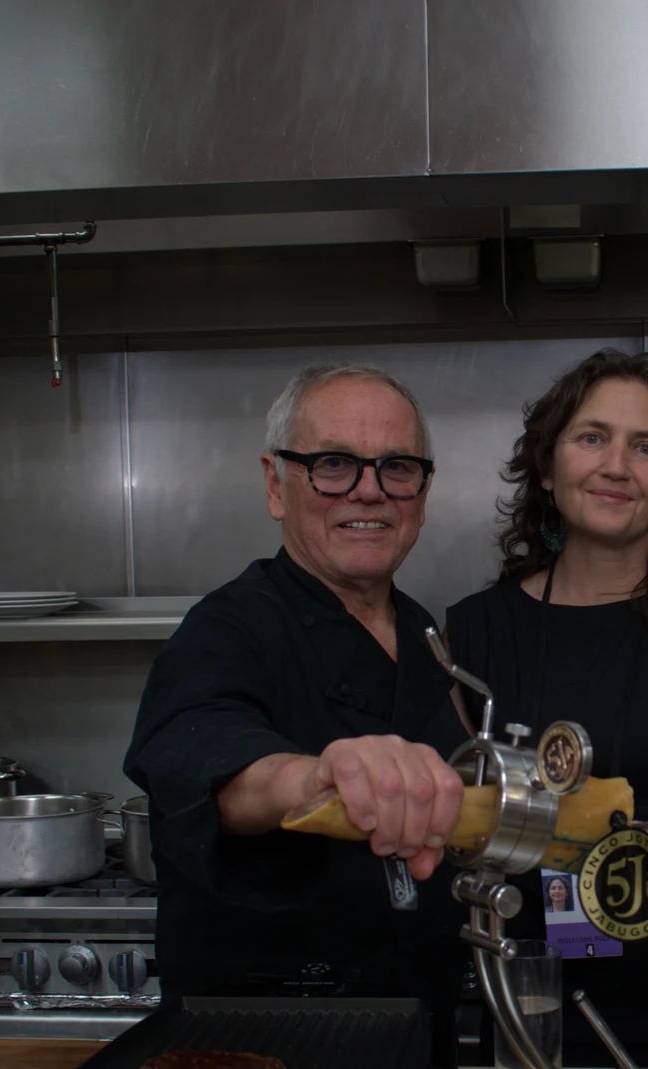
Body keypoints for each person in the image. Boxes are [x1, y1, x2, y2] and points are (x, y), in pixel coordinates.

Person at [123, 364, 469, 1064]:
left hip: (412, 1025)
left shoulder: (426, 635)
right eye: (333, 464)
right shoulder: (227, 628)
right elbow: (207, 752)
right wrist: (313, 776)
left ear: (422, 495)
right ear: (276, 484)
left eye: (396, 466)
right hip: (263, 1037)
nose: (369, 489)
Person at [445, 350, 648, 1069]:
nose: (616, 465)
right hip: (539, 1007)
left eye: (646, 446)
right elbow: (459, 823)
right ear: (547, 466)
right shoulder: (476, 633)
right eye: (591, 437)